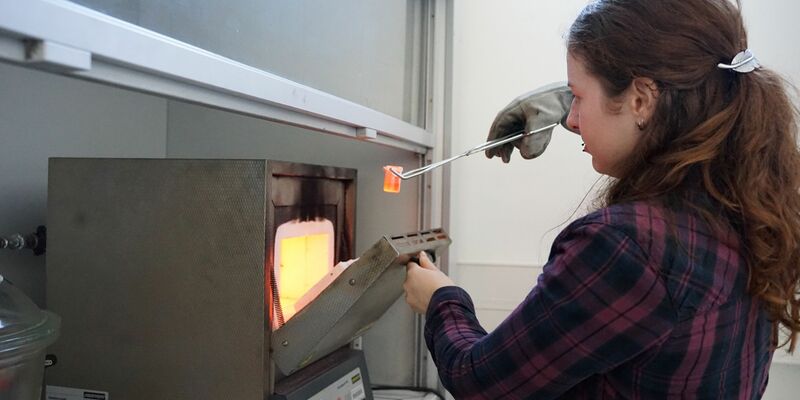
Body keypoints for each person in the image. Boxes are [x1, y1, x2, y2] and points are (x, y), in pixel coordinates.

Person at [402, 0, 800, 398]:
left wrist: (441, 299)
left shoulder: (628, 245)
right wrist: (586, 96)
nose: (571, 120)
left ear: (642, 100)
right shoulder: (744, 210)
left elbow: (481, 383)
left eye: (577, 97)